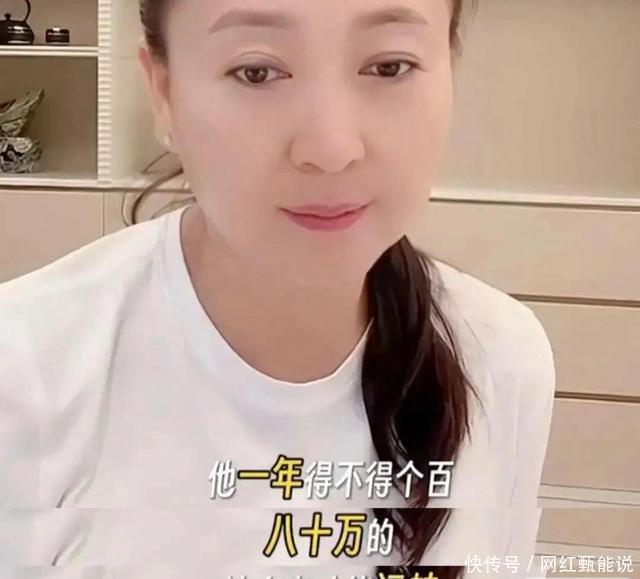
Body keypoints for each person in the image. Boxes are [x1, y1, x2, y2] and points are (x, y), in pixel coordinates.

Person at [0, 0, 555, 578]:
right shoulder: (25, 370)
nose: (331, 149)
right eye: (257, 71)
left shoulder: (498, 356)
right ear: (164, 93)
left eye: (389, 66)